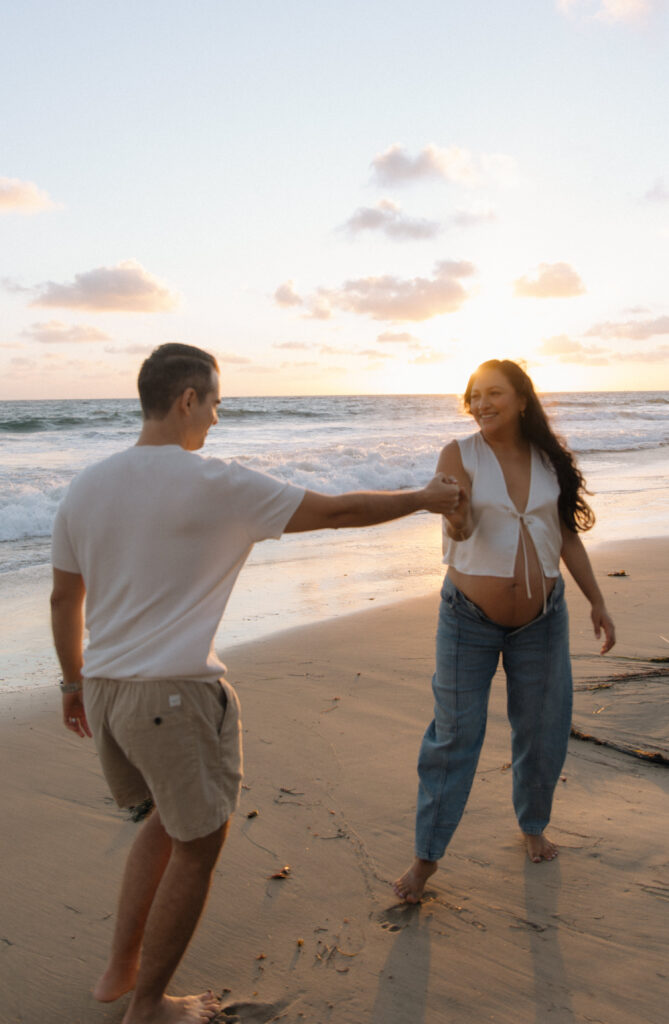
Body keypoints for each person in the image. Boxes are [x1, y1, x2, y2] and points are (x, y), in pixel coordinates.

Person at [50, 342, 461, 1024]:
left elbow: (67, 598)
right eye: (213, 403)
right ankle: (149, 1006)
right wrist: (421, 499)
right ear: (187, 399)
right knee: (198, 842)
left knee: (164, 821)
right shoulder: (214, 482)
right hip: (172, 694)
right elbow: (335, 511)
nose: (215, 418)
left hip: (108, 690)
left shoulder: (87, 484)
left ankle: (120, 971)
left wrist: (72, 683)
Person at [393, 358, 616, 905]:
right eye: (474, 395)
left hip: (544, 620)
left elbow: (564, 536)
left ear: (521, 399)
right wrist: (452, 516)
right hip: (468, 619)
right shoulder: (459, 453)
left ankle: (533, 826)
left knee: (542, 727)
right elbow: (461, 526)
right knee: (455, 736)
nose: (482, 403)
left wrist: (597, 601)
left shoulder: (547, 459)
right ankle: (425, 859)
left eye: (494, 393)